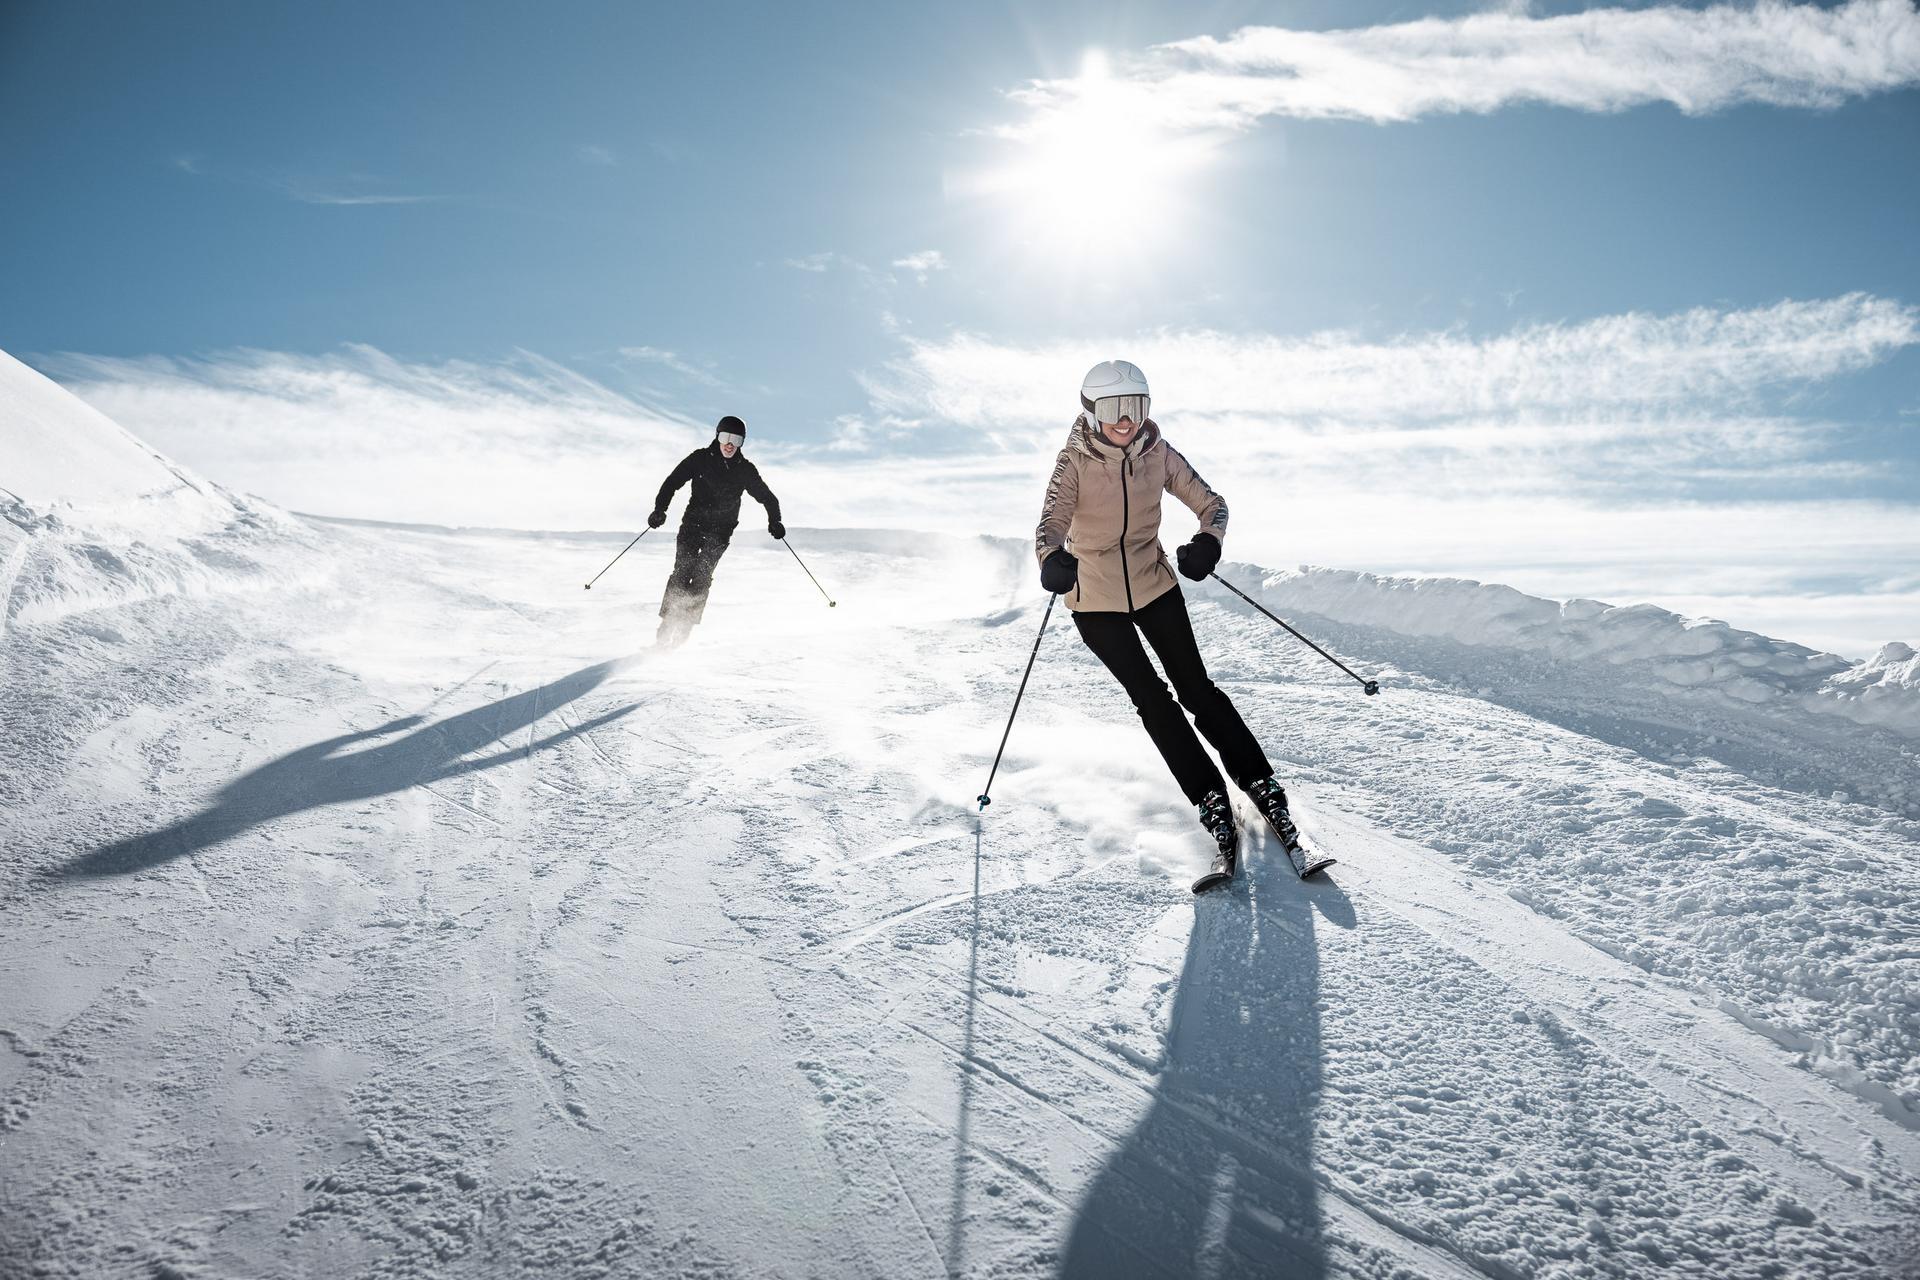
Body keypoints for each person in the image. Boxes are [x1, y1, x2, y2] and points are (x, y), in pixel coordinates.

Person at [1034, 360, 1308, 891]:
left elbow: (1213, 504)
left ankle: (1261, 784)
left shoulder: (1158, 452)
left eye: (1137, 407)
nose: (1126, 420)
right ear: (1091, 412)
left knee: (1196, 690)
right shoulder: (1072, 462)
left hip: (1155, 585)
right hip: (1094, 602)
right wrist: (1051, 558)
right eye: (1114, 409)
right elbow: (1051, 522)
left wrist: (1209, 541)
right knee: (1153, 701)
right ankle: (1209, 796)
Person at [648, 415, 784, 648]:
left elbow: (767, 497)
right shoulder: (699, 459)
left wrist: (775, 521)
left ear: (742, 443)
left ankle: (684, 628)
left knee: (701, 576)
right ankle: (667, 626)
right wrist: (660, 509)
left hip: (720, 531)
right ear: (717, 436)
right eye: (725, 437)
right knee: (682, 572)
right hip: (693, 524)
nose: (730, 444)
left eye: (736, 439)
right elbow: (672, 482)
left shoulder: (745, 470)